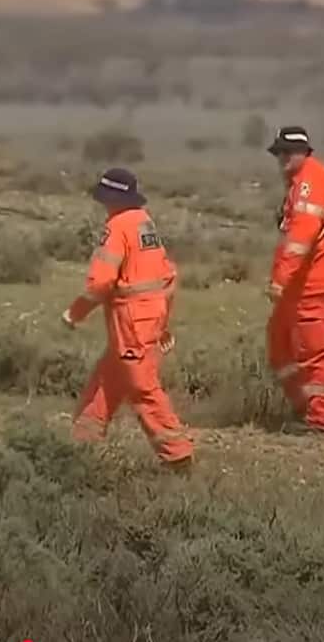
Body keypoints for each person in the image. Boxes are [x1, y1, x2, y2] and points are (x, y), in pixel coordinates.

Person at [64, 167, 193, 471]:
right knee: (108, 379)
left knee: (141, 387)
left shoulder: (118, 227)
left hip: (131, 320)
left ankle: (178, 457)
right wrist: (162, 323)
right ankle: (83, 442)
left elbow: (100, 282)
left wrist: (75, 312)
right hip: (149, 316)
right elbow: (168, 276)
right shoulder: (144, 223)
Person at [265, 126, 324, 434]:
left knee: (311, 351)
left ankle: (320, 420)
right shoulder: (300, 182)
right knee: (279, 346)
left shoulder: (310, 183)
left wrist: (279, 280)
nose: (282, 158)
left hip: (313, 281)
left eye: (288, 152)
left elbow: (301, 237)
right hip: (300, 282)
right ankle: (304, 407)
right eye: (279, 152)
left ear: (304, 153)